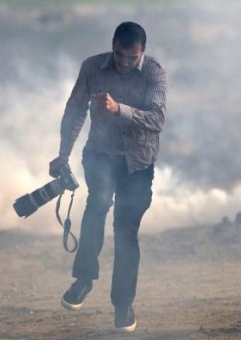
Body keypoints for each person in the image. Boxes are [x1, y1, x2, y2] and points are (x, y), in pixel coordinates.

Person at [49, 21, 167, 332]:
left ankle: (123, 305)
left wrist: (119, 109)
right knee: (98, 201)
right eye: (119, 54)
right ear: (112, 44)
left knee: (126, 231)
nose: (124, 63)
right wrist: (63, 154)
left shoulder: (154, 73)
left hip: (138, 164)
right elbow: (75, 111)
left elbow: (157, 119)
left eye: (132, 57)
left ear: (142, 53)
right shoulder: (92, 67)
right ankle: (84, 279)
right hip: (100, 154)